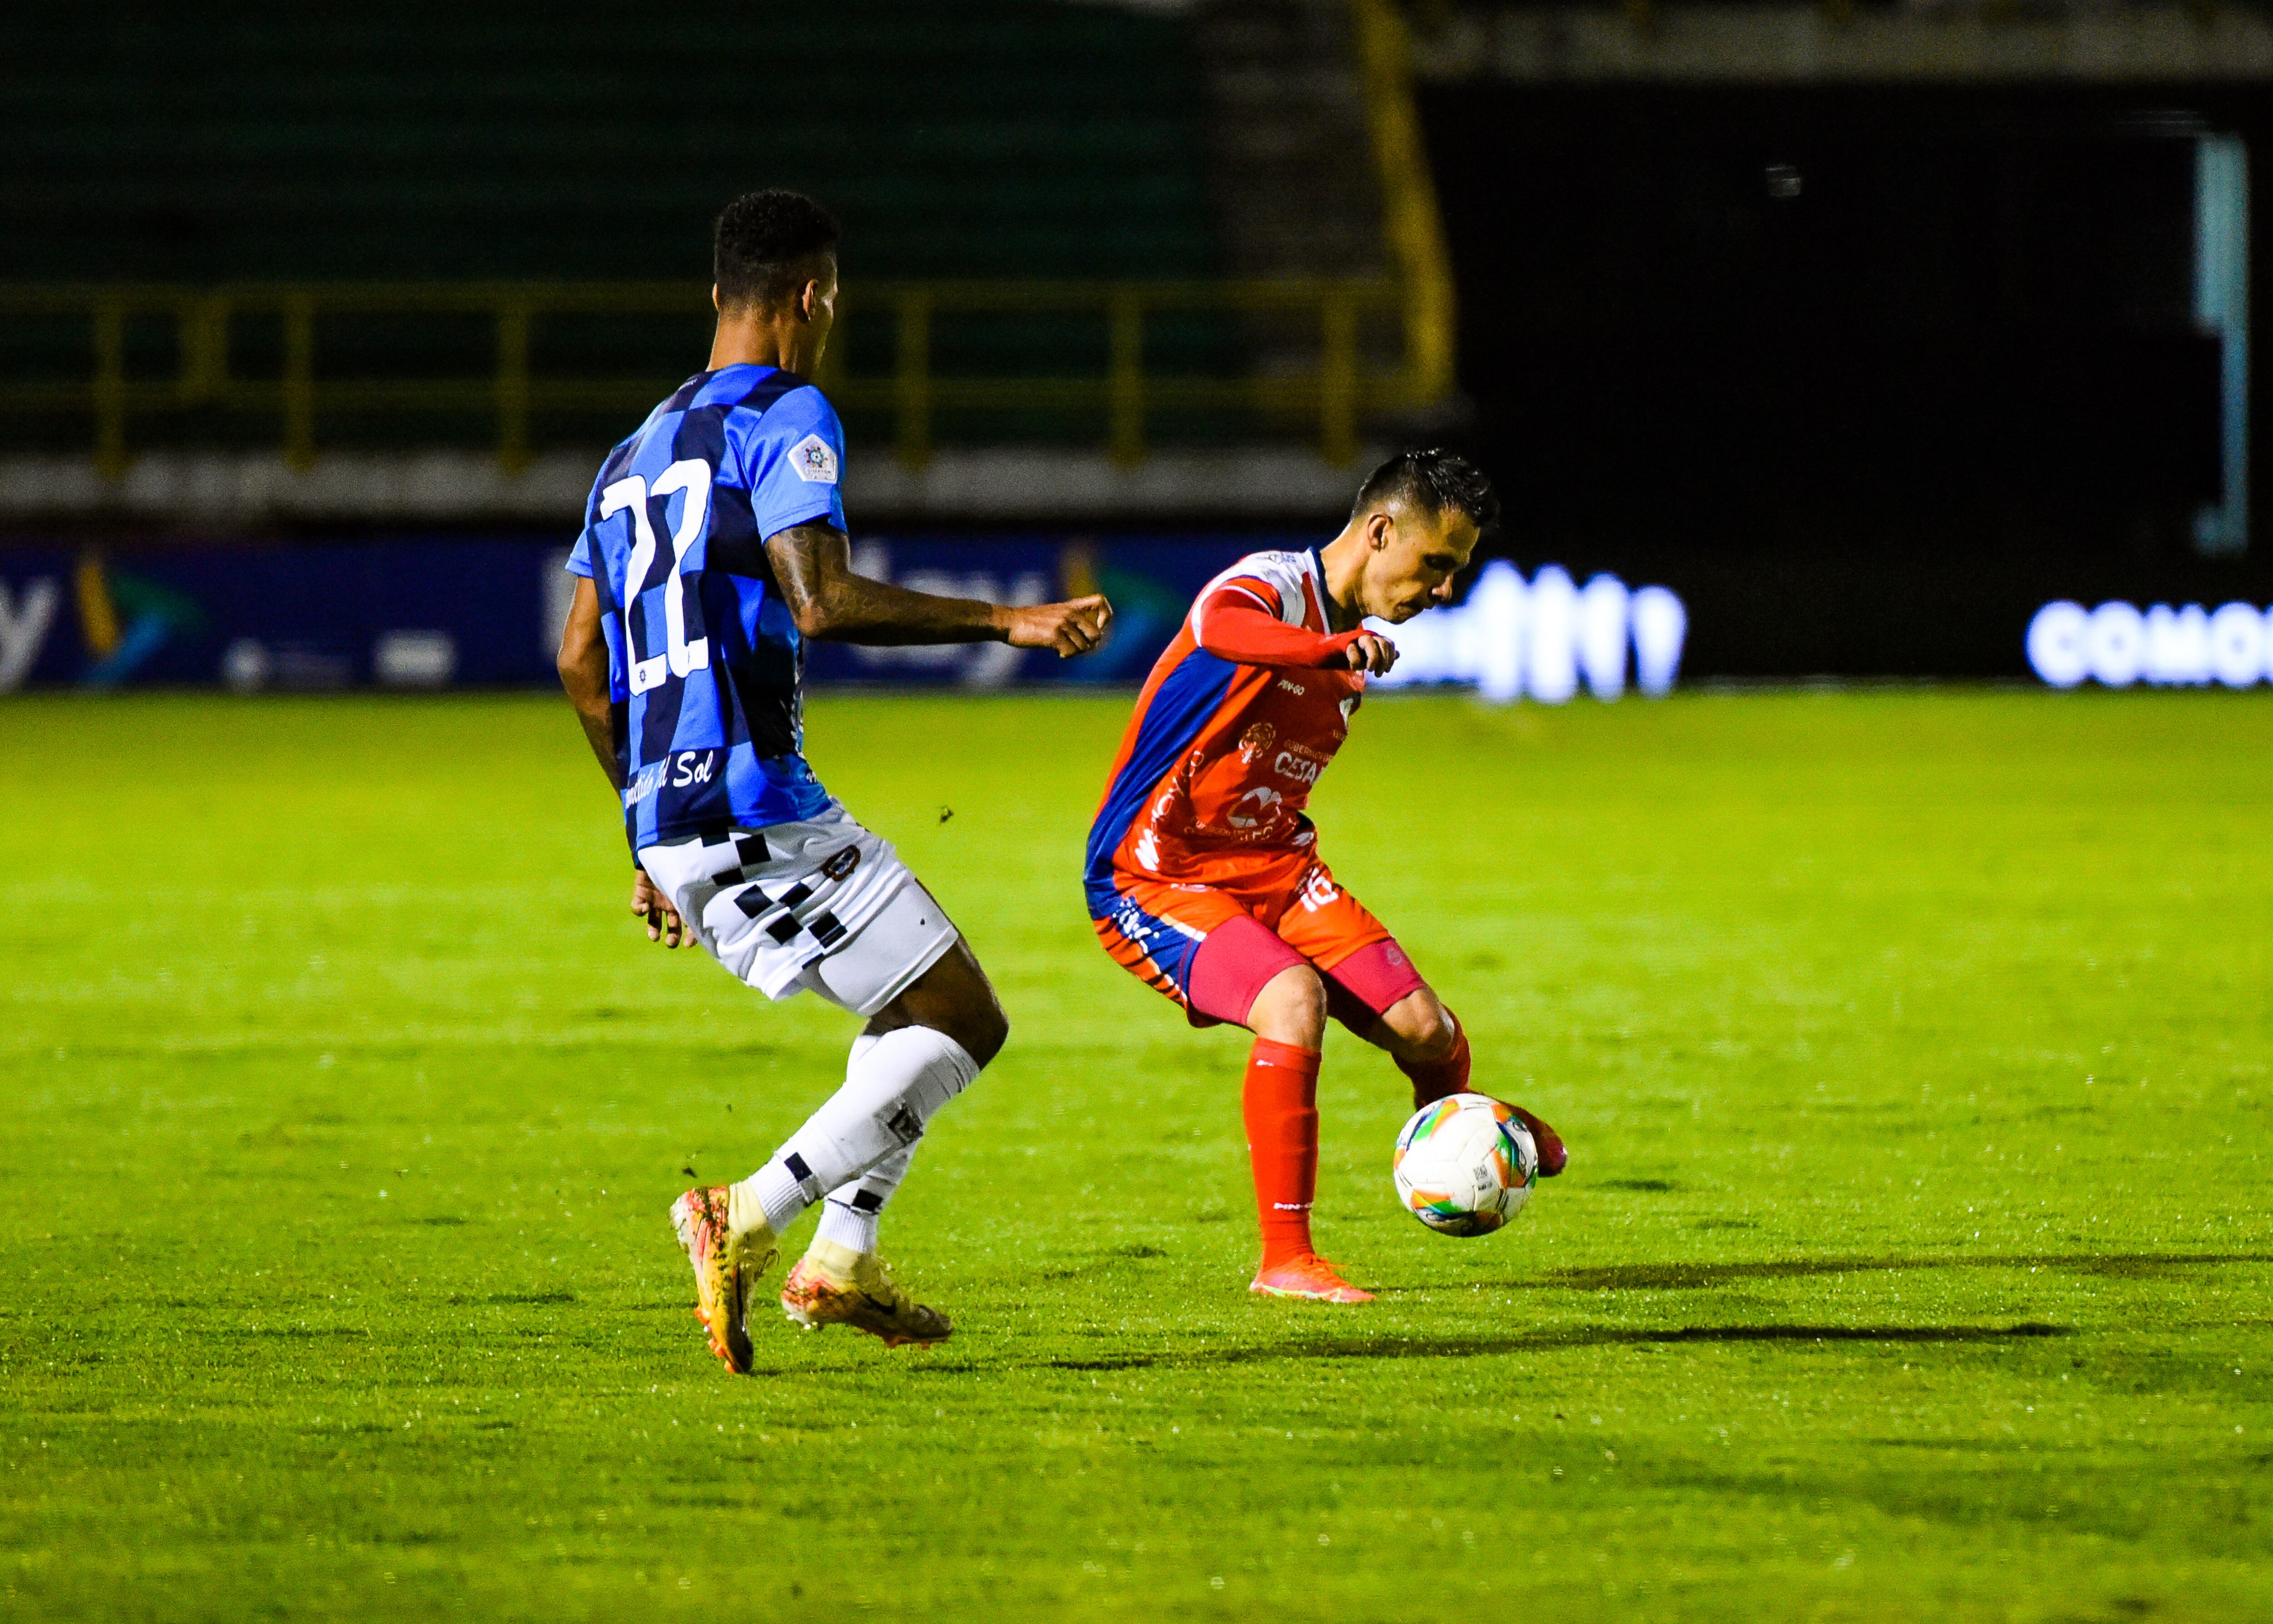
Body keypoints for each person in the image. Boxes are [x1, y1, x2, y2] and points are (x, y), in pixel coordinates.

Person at [556, 190, 1112, 1372]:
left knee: (905, 1006)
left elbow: (576, 660)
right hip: (755, 803)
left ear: (718, 295)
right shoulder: (789, 412)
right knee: (963, 1016)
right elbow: (822, 599)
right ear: (812, 298)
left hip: (676, 814)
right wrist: (1009, 619)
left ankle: (845, 1257)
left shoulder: (629, 453)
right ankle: (749, 1213)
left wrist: (643, 833)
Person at [1084, 449, 1565, 1304]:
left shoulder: (1355, 645)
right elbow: (1225, 631)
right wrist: (1323, 647)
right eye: (1436, 566)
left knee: (1427, 1032)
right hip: (1155, 874)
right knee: (1291, 1000)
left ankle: (1472, 1136)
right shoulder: (1268, 589)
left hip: (1276, 865)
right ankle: (1285, 1260)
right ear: (1380, 533)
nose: (1443, 591)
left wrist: (1336, 650)